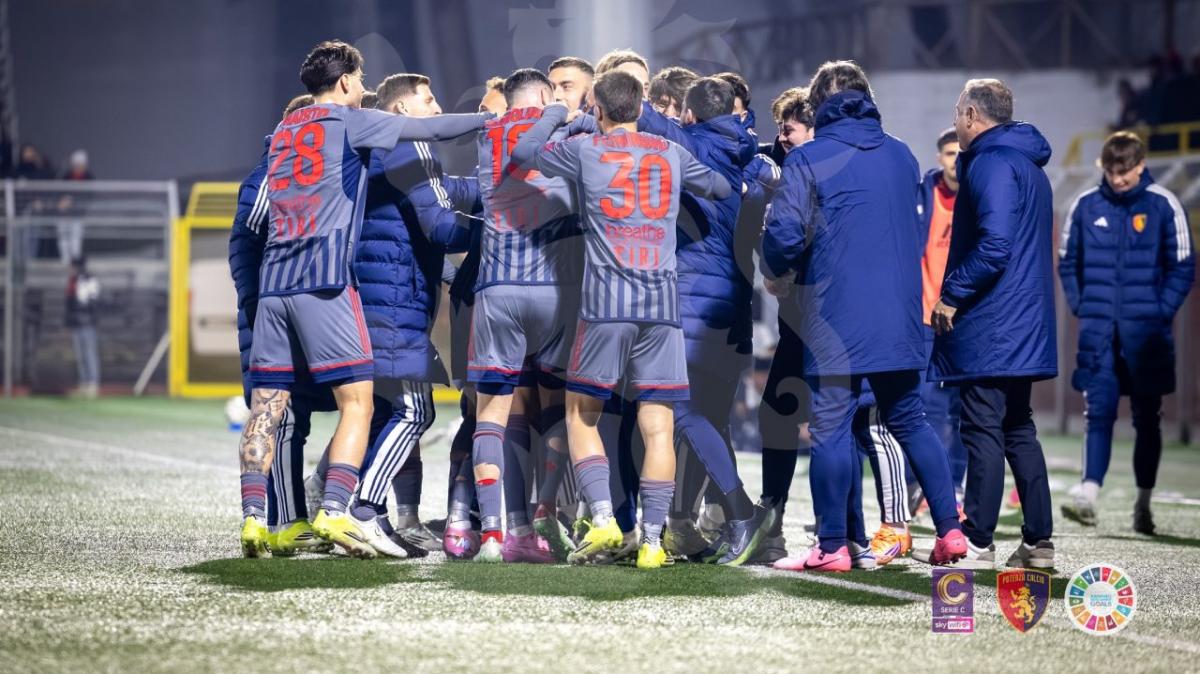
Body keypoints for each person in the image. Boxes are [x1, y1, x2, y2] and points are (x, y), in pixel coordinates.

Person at [237, 40, 490, 558]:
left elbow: (256, 220)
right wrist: (496, 122)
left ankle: (256, 521)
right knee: (359, 402)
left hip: (274, 286)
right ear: (347, 81)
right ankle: (337, 511)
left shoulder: (283, 132)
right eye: (360, 80)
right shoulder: (350, 121)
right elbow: (430, 130)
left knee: (267, 408)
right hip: (324, 281)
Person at [511, 70, 732, 569]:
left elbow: (524, 154)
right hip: (662, 306)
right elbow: (719, 186)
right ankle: (653, 542)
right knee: (659, 427)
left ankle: (604, 519)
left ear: (598, 109)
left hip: (606, 303)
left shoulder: (585, 148)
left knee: (581, 415)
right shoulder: (669, 151)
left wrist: (559, 116)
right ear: (640, 106)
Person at [762, 60, 967, 573]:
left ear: (819, 106)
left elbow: (784, 237)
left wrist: (776, 269)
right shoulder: (901, 154)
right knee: (911, 420)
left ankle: (832, 545)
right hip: (900, 314)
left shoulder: (808, 158)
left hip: (834, 317)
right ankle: (950, 530)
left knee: (831, 428)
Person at [322, 72, 486, 559]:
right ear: (401, 110)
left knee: (378, 414)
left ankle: (332, 504)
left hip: (367, 296)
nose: (436, 109)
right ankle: (364, 510)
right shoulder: (411, 145)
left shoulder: (376, 151)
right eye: (428, 100)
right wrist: (499, 225)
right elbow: (442, 227)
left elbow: (444, 190)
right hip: (394, 300)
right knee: (416, 410)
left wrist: (491, 188)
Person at [634, 77, 771, 565]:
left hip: (691, 303)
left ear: (689, 115)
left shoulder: (690, 143)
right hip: (733, 304)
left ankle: (739, 511)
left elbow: (635, 111)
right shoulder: (749, 156)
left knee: (680, 409)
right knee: (710, 416)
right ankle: (696, 521)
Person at [929, 78, 1057, 570]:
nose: (956, 120)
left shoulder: (991, 162)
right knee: (1018, 428)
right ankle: (1038, 541)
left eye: (957, 111)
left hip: (993, 323)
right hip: (1022, 322)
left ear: (972, 115)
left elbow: (995, 245)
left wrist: (952, 295)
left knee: (982, 428)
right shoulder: (1027, 164)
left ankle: (978, 540)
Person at [467, 68, 582, 563]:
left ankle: (493, 535)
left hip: (497, 290)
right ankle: (545, 508)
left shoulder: (487, 134)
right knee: (559, 407)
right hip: (556, 291)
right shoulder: (568, 133)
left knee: (491, 415)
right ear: (545, 95)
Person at [1058, 131, 1194, 534]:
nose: (1118, 180)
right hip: (1099, 333)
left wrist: (1159, 312)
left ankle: (1143, 504)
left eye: (1125, 172)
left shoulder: (1163, 205)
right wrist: (1082, 305)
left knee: (1147, 419)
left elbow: (1183, 265)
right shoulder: (1085, 205)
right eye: (1112, 172)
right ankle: (1088, 494)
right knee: (1097, 413)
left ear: (1140, 166)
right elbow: (1067, 261)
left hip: (1147, 337)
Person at [229, 93, 336, 557]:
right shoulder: (274, 171)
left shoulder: (299, 172)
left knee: (290, 418)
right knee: (284, 416)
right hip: (273, 317)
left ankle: (279, 518)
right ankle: (284, 520)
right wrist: (265, 306)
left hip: (291, 313)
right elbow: (246, 242)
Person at [751, 88, 815, 565]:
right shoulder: (779, 163)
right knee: (777, 413)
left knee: (853, 424)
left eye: (789, 127)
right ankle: (773, 521)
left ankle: (851, 530)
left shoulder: (826, 168)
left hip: (828, 316)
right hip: (795, 317)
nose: (782, 137)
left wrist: (782, 268)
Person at [65, 257, 100, 398]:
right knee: (80, 356)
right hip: (76, 323)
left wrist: (89, 317)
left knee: (89, 354)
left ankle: (92, 383)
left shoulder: (89, 280)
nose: (70, 269)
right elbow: (70, 304)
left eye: (72, 267)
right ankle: (84, 383)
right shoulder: (72, 281)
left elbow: (92, 301)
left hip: (87, 323)